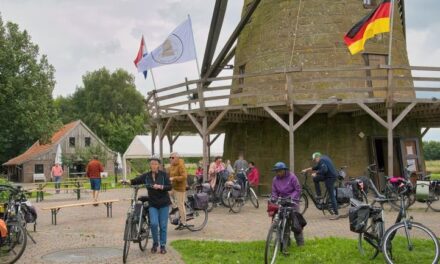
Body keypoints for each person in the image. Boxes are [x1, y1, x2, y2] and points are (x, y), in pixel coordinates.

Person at [123, 157, 171, 254]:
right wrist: (127, 181)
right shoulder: (146, 176)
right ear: (150, 165)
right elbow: (136, 180)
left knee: (163, 226)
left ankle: (162, 245)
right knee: (153, 224)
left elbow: (170, 186)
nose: (153, 165)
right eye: (152, 163)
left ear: (158, 165)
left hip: (163, 204)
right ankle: (155, 243)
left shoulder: (164, 175)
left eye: (155, 163)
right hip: (153, 203)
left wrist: (161, 186)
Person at [271, 162, 304, 246]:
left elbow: (297, 189)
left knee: (295, 223)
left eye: (280, 171)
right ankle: (285, 242)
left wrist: (291, 198)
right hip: (282, 201)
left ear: (285, 170)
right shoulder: (275, 179)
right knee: (282, 223)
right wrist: (274, 199)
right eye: (276, 171)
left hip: (292, 201)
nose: (278, 173)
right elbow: (274, 191)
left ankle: (300, 243)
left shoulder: (292, 177)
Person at [302, 152, 339, 220]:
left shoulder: (322, 160)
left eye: (315, 160)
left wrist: (316, 173)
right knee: (316, 179)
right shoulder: (322, 159)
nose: (315, 161)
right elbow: (315, 167)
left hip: (330, 177)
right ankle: (319, 195)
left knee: (331, 195)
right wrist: (306, 170)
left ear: (317, 157)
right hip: (327, 176)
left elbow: (325, 170)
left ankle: (336, 214)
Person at [168, 152, 188, 230]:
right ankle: (174, 206)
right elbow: (169, 174)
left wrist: (174, 178)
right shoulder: (172, 166)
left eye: (172, 157)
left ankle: (184, 222)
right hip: (173, 187)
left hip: (180, 188)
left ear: (177, 158)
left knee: (180, 204)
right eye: (170, 157)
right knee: (165, 193)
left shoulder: (181, 165)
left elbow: (184, 176)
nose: (170, 159)